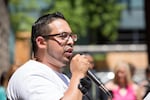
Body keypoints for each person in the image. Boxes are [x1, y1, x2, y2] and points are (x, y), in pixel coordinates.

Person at [7, 12, 92, 100]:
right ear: (41, 42)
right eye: (63, 36)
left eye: (71, 36)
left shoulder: (63, 78)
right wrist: (78, 75)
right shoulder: (29, 75)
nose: (71, 41)